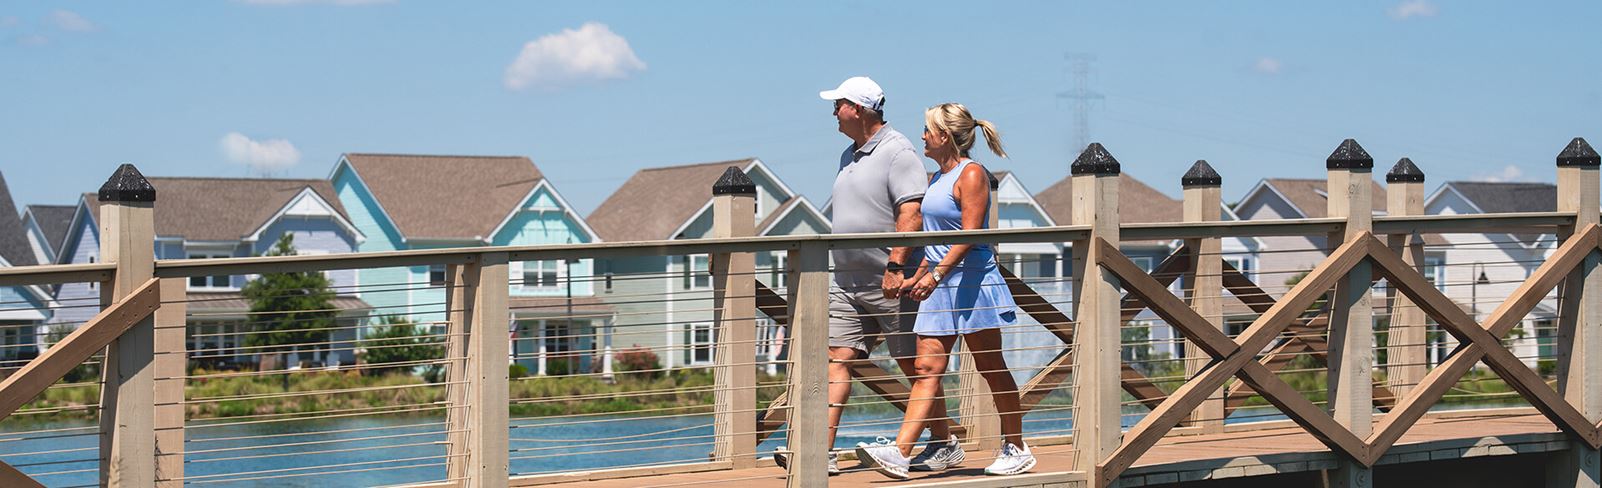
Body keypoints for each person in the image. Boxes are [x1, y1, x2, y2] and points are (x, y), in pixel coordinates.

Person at [774, 76, 961, 475]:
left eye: (838, 104)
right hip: (846, 282)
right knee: (835, 360)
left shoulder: (899, 152)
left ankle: (943, 442)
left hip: (891, 281)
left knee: (915, 365)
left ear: (858, 109)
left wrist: (896, 266)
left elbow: (910, 213)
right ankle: (817, 452)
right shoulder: (849, 154)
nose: (833, 111)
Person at [854, 103, 1033, 479]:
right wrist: (913, 277)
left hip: (972, 284)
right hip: (940, 284)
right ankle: (901, 453)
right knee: (926, 368)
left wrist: (935, 275)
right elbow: (935, 243)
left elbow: (969, 236)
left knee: (990, 367)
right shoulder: (936, 179)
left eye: (927, 130)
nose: (922, 136)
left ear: (944, 136)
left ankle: (1017, 447)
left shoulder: (972, 175)